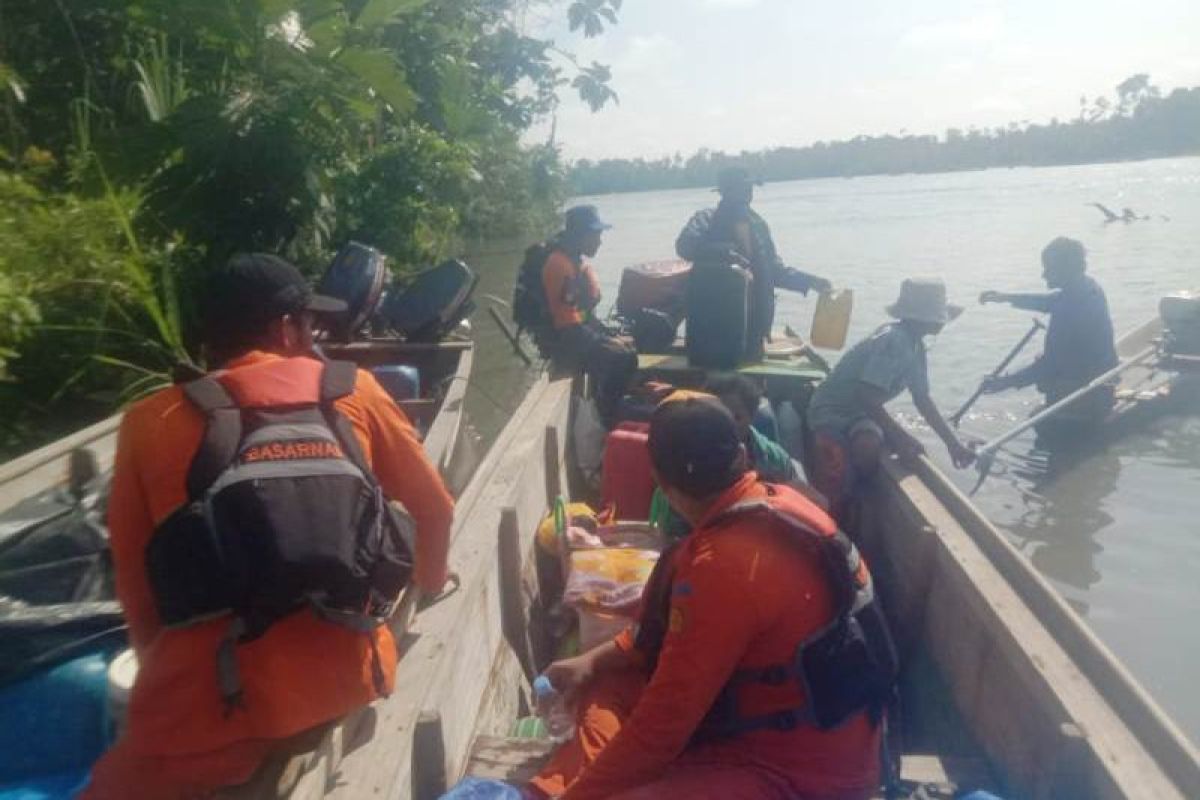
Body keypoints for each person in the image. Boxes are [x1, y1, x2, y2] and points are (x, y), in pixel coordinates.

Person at [83, 254, 455, 799]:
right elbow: (437, 510)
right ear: (285, 329)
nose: (315, 338)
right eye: (312, 324)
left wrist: (164, 676)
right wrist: (430, 580)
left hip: (210, 717)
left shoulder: (148, 421)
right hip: (348, 679)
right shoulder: (358, 392)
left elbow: (139, 591)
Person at [529, 391, 892, 800]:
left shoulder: (721, 566)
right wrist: (592, 659)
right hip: (799, 741)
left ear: (662, 484)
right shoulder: (782, 504)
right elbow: (657, 644)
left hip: (796, 778)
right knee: (607, 680)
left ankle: (561, 789)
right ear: (741, 454)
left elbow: (663, 727)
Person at [805, 278, 976, 521]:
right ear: (924, 318)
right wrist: (901, 437)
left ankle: (857, 499)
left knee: (868, 445)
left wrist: (952, 444)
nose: (942, 322)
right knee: (837, 464)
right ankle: (837, 508)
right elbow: (867, 396)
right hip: (831, 411)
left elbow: (922, 399)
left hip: (860, 415)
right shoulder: (893, 340)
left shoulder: (916, 347)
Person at [676, 166, 832, 360]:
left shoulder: (758, 225)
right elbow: (685, 246)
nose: (746, 194)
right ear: (725, 192)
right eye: (739, 189)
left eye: (748, 189)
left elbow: (774, 271)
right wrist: (727, 253)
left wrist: (811, 282)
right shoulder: (706, 219)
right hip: (711, 327)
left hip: (753, 330)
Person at [979, 237, 1119, 425]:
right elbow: (1049, 301)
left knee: (1042, 368)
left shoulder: (1073, 308)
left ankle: (1076, 412)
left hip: (1089, 394)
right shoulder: (1087, 287)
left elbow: (1050, 365)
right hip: (1099, 379)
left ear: (1066, 269)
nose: (1044, 275)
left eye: (1049, 268)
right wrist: (1004, 297)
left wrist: (1004, 382)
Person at [542, 205, 636, 424]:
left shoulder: (575, 261)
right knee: (620, 355)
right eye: (596, 235)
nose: (600, 241)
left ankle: (611, 404)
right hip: (564, 339)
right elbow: (568, 325)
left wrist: (608, 334)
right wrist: (605, 342)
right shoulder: (560, 264)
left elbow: (583, 314)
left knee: (628, 346)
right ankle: (608, 414)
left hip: (575, 330)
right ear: (579, 236)